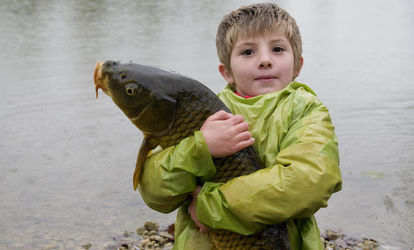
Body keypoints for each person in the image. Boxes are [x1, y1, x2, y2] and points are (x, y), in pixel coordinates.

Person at [138, 3, 342, 249]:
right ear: (227, 72)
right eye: (247, 52)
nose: (265, 60)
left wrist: (209, 206)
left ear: (297, 65)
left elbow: (309, 182)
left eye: (277, 49)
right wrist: (199, 148)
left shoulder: (306, 111)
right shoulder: (202, 115)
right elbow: (155, 193)